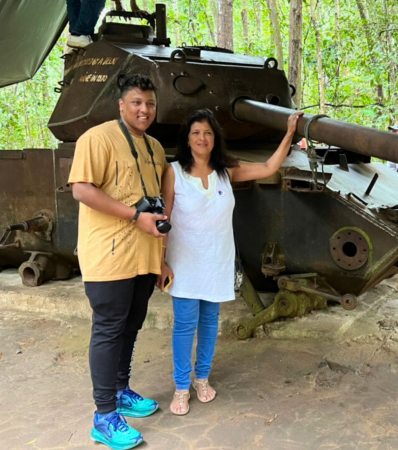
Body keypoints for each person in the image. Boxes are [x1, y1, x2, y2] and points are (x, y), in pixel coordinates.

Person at [160, 108, 303, 415]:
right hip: (183, 263)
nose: (202, 138)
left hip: (216, 262)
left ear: (215, 139)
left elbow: (269, 166)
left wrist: (290, 132)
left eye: (207, 133)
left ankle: (202, 379)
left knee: (210, 323)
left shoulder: (226, 171)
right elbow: (164, 220)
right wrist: (160, 262)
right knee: (185, 325)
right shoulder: (173, 172)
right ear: (187, 138)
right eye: (196, 133)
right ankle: (181, 387)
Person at [69, 74, 167, 450]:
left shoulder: (155, 148)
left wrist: (162, 258)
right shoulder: (97, 138)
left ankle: (121, 390)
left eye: (150, 103)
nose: (144, 110)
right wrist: (133, 215)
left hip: (143, 255)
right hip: (108, 255)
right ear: (121, 104)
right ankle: (104, 415)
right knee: (109, 329)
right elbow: (82, 189)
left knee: (131, 325)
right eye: (137, 102)